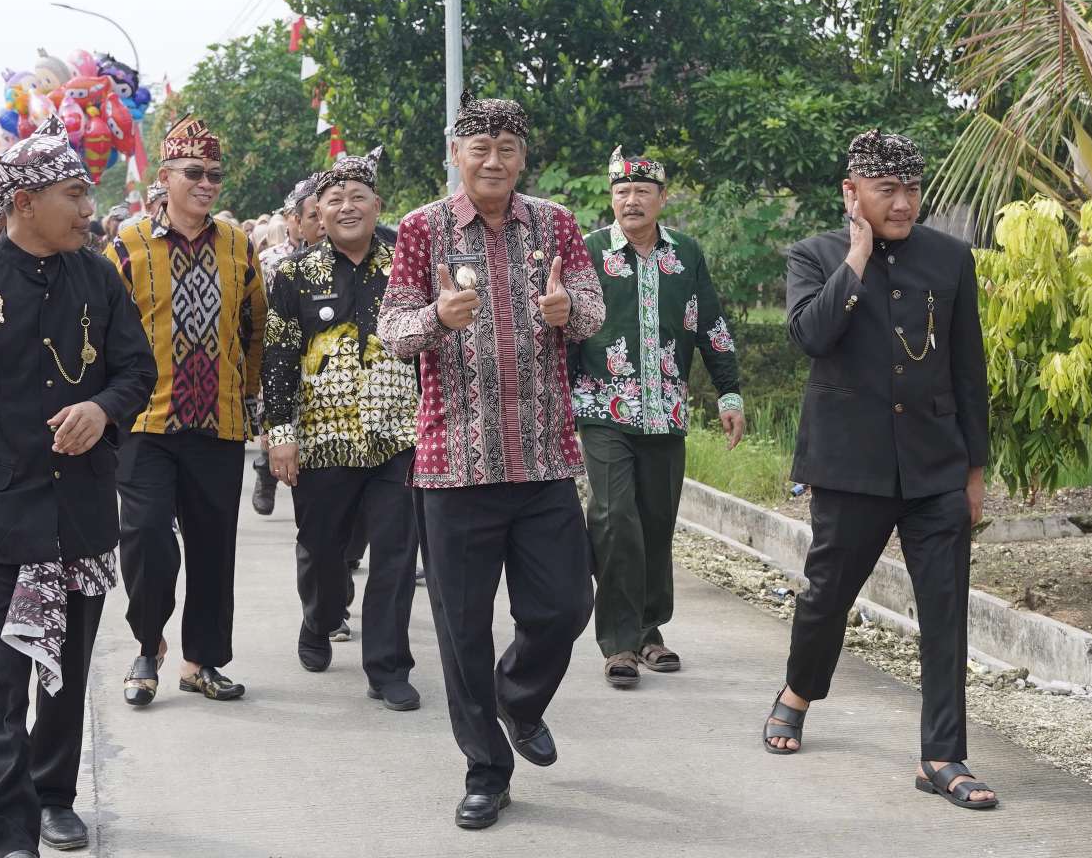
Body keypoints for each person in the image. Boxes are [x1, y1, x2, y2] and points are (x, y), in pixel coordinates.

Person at [0, 114, 156, 856]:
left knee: (67, 676)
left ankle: (54, 796)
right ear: (24, 202)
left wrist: (101, 409)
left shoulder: (98, 278)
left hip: (79, 515)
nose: (88, 208)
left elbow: (137, 371)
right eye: (75, 194)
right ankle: (7, 837)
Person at [379, 90, 604, 830]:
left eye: (507, 149)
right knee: (463, 630)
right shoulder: (423, 229)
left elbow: (594, 310)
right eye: (480, 149)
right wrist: (436, 318)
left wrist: (570, 313)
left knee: (566, 606)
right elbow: (393, 331)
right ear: (457, 155)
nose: (494, 161)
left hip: (543, 457)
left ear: (522, 156)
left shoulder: (556, 223)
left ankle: (519, 697)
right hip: (455, 464)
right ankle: (485, 769)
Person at [761, 129, 996, 810]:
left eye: (911, 189)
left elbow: (968, 368)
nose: (901, 204)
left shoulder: (949, 258)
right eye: (886, 190)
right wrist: (858, 259)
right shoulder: (814, 256)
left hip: (935, 466)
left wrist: (974, 471)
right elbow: (811, 336)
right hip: (850, 467)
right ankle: (798, 692)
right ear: (852, 192)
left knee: (946, 612)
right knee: (826, 596)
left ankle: (942, 757)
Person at [106, 114, 267, 707]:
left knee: (212, 546)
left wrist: (250, 397)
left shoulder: (239, 245)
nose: (206, 184)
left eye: (214, 175)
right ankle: (148, 645)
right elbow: (103, 329)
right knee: (147, 538)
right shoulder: (127, 245)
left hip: (219, 422)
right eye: (194, 172)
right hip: (146, 421)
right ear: (165, 177)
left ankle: (201, 661)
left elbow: (256, 328)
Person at [570, 146, 745, 689]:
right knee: (614, 517)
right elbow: (566, 329)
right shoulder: (588, 252)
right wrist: (557, 404)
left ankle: (649, 630)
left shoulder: (686, 254)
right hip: (603, 409)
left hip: (666, 411)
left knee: (656, 521)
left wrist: (729, 393)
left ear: (662, 198)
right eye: (621, 191)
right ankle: (619, 643)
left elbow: (711, 324)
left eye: (642, 191)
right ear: (611, 198)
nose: (631, 200)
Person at [263, 146, 422, 709]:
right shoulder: (294, 275)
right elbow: (279, 358)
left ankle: (388, 666)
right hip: (322, 442)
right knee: (322, 551)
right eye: (336, 200)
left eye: (359, 197)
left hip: (399, 438)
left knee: (396, 556)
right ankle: (320, 617)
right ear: (319, 212)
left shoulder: (409, 265)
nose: (348, 207)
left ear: (378, 205)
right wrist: (280, 435)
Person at [252, 180, 325, 516]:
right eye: (313, 216)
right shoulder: (273, 262)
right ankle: (265, 473)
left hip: (319, 366)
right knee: (275, 426)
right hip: (279, 350)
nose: (322, 223)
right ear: (295, 220)